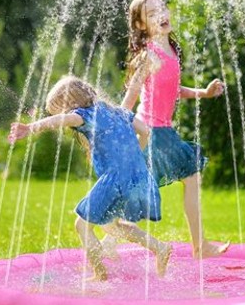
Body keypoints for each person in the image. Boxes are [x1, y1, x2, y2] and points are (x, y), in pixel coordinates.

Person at [9, 76, 171, 280]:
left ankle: (100, 274)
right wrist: (130, 157)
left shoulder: (83, 115)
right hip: (137, 176)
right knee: (110, 225)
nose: (64, 114)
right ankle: (160, 247)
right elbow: (145, 132)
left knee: (82, 225)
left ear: (69, 103)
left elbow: (62, 120)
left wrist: (31, 127)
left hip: (116, 179)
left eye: (61, 108)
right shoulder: (117, 111)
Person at [120, 0, 229, 258]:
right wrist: (122, 124)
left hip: (161, 132)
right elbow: (129, 100)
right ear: (141, 26)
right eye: (152, 13)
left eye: (162, 8)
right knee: (190, 177)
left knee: (139, 194)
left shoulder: (170, 51)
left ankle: (111, 237)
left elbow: (171, 89)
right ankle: (199, 246)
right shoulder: (149, 56)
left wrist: (202, 93)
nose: (162, 14)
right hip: (153, 132)